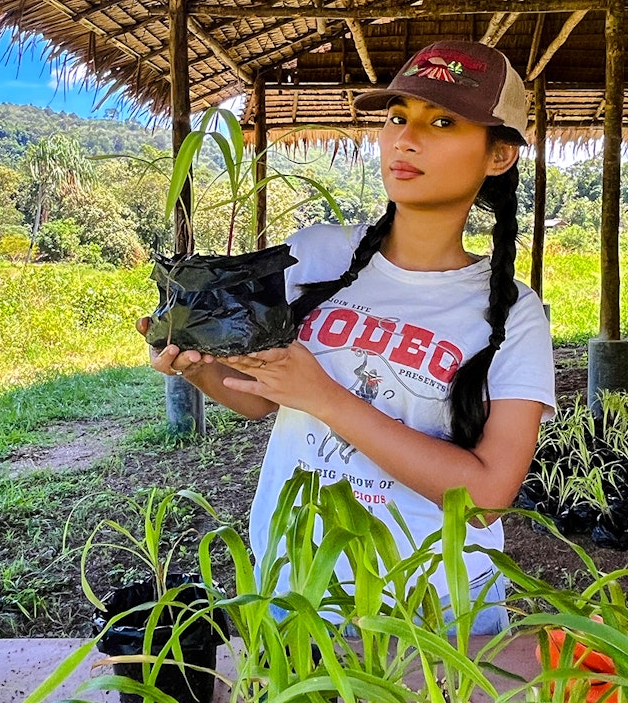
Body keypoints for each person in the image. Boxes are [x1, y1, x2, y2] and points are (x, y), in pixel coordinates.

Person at [139, 40, 556, 635]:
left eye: (442, 122)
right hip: (294, 586)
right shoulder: (316, 254)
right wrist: (198, 367)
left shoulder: (513, 314)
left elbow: (488, 493)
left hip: (433, 608)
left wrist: (328, 398)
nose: (406, 139)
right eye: (396, 117)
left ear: (498, 157)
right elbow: (262, 398)